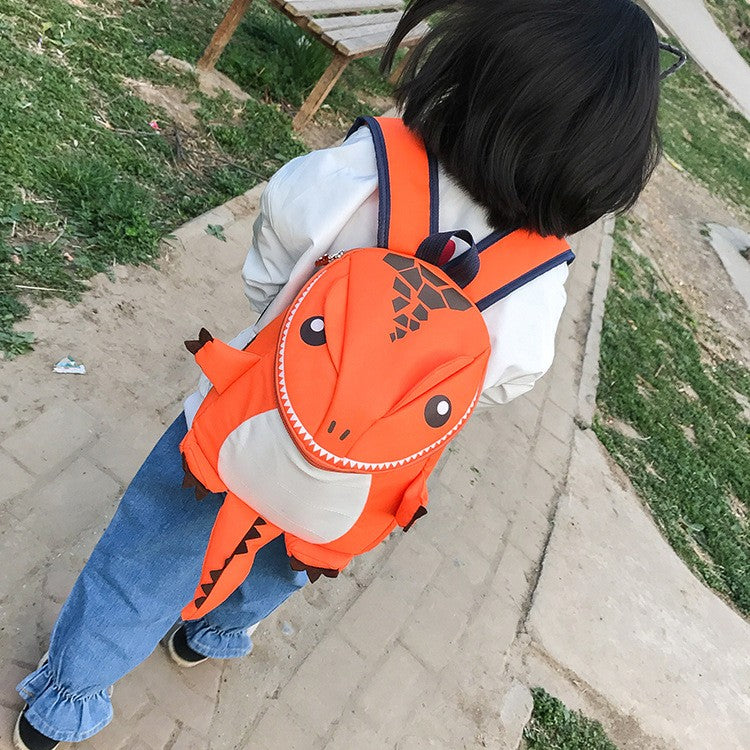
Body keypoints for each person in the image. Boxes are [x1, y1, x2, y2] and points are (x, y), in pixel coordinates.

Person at [13, 0, 672, 747]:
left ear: (473, 65)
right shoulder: (540, 278)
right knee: (285, 558)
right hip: (357, 478)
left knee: (153, 551)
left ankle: (64, 702)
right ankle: (210, 634)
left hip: (245, 415)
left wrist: (283, 324)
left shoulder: (373, 163)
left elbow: (274, 243)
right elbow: (505, 379)